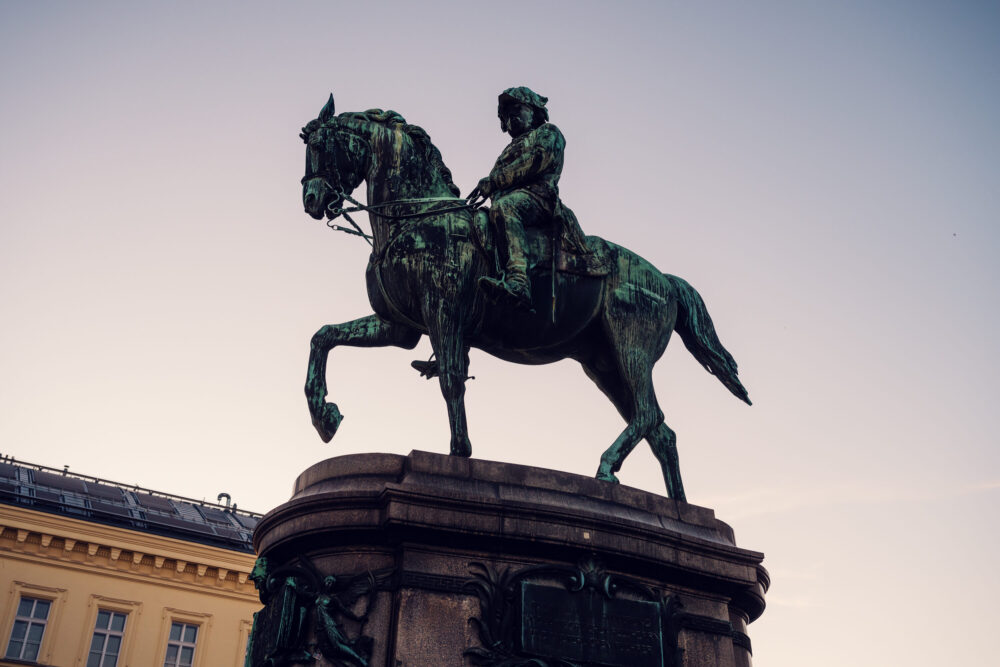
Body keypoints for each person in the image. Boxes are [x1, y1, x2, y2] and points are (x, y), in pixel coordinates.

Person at [466, 86, 567, 308]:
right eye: (505, 116)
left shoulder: (548, 133)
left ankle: (519, 282)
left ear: (533, 110)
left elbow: (537, 159)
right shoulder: (508, 149)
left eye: (516, 109)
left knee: (505, 207)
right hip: (507, 201)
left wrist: (494, 181)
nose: (510, 117)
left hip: (539, 199)